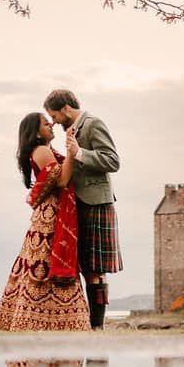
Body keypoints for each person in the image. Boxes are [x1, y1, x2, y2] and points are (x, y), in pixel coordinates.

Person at [0, 112, 90, 331]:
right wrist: (71, 150)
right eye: (46, 124)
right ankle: (51, 320)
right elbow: (63, 180)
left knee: (42, 262)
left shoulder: (41, 150)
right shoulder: (43, 150)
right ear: (36, 132)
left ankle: (45, 319)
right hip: (51, 215)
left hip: (50, 213)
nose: (51, 125)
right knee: (45, 262)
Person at [42, 89, 122, 330]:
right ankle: (86, 325)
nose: (53, 121)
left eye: (54, 115)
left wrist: (80, 153)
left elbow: (113, 161)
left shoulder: (93, 124)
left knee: (96, 270)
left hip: (96, 202)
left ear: (66, 108)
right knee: (85, 267)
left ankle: (97, 327)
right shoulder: (71, 130)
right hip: (76, 205)